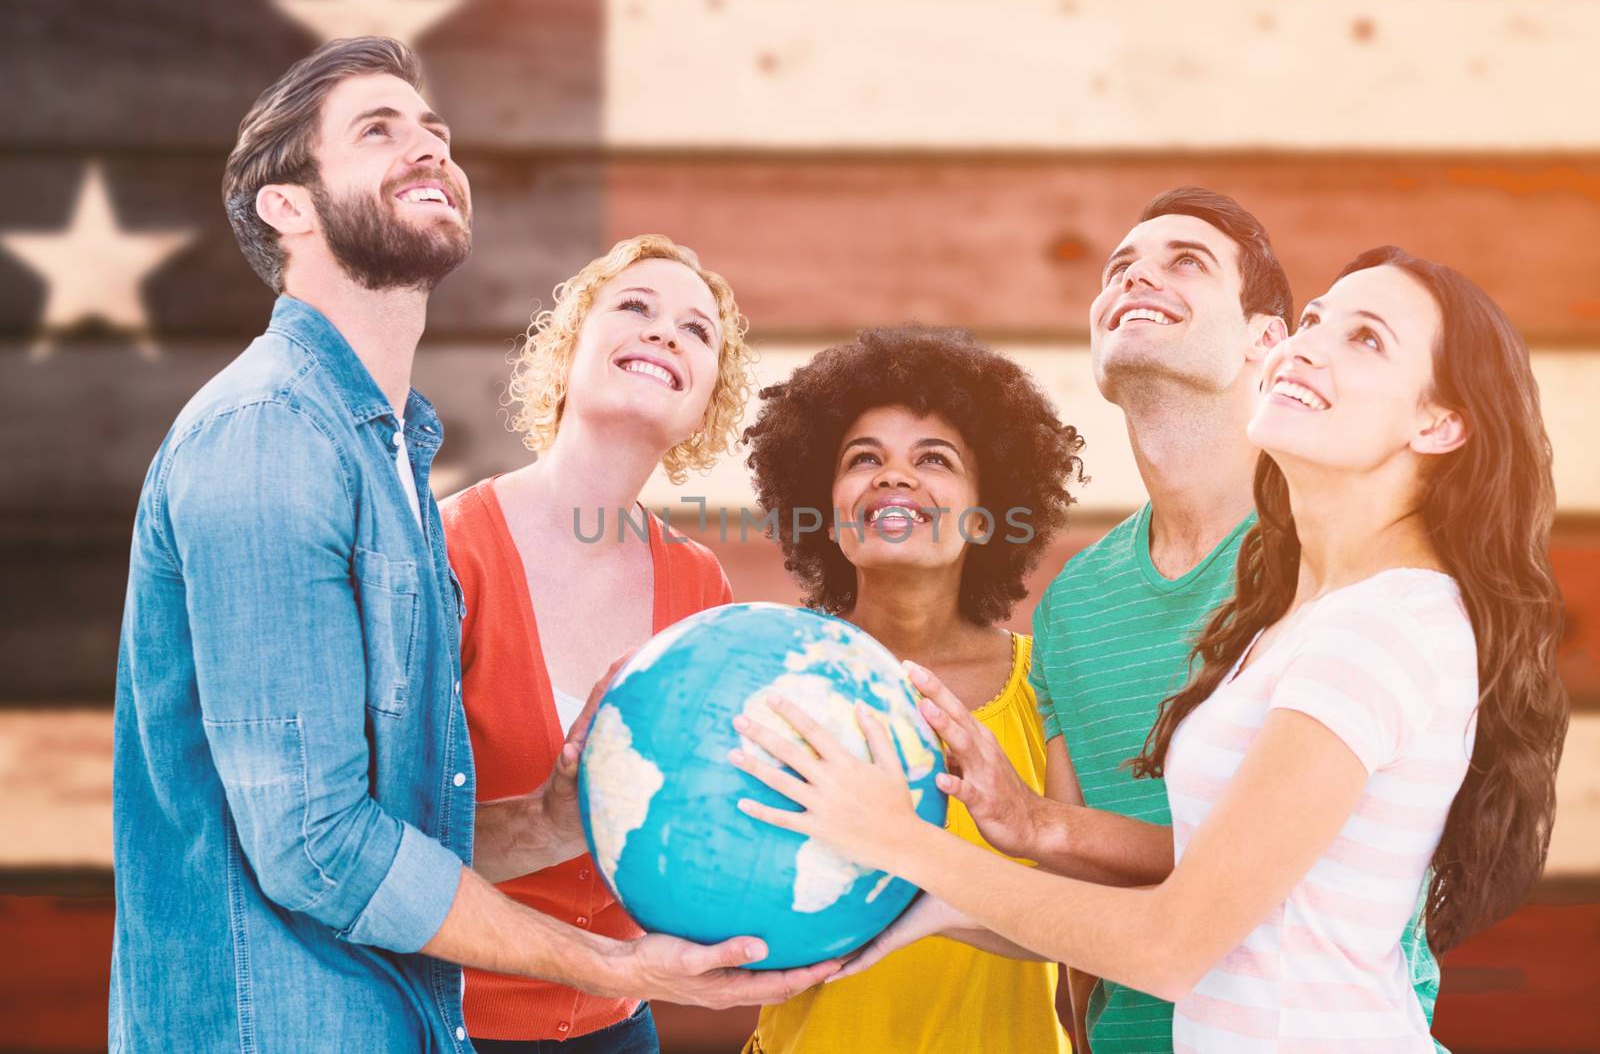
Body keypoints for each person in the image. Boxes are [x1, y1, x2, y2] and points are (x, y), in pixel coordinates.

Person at [109, 38, 833, 1052]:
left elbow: (396, 825)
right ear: (289, 203)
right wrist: (616, 963)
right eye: (379, 130)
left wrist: (550, 820)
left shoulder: (386, 458)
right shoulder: (272, 436)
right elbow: (317, 847)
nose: (429, 151)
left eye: (437, 137)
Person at [730, 247, 1568, 1052]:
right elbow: (1230, 865)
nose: (1309, 345)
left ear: (1441, 422)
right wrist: (1035, 825)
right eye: (1314, 318)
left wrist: (911, 848)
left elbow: (1173, 944)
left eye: (1366, 337)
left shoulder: (1378, 629)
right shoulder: (1301, 616)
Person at [442, 234, 755, 1052]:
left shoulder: (701, 587)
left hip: (621, 1031)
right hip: (441, 1029)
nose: (664, 333)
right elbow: (380, 845)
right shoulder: (445, 551)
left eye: (696, 331)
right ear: (568, 349)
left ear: (707, 401)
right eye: (636, 308)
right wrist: (551, 822)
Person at [736, 325, 1084, 1053]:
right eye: (865, 459)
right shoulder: (779, 675)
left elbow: (1092, 920)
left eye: (935, 458)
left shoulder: (1045, 682)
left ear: (985, 515)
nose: (894, 477)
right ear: (829, 510)